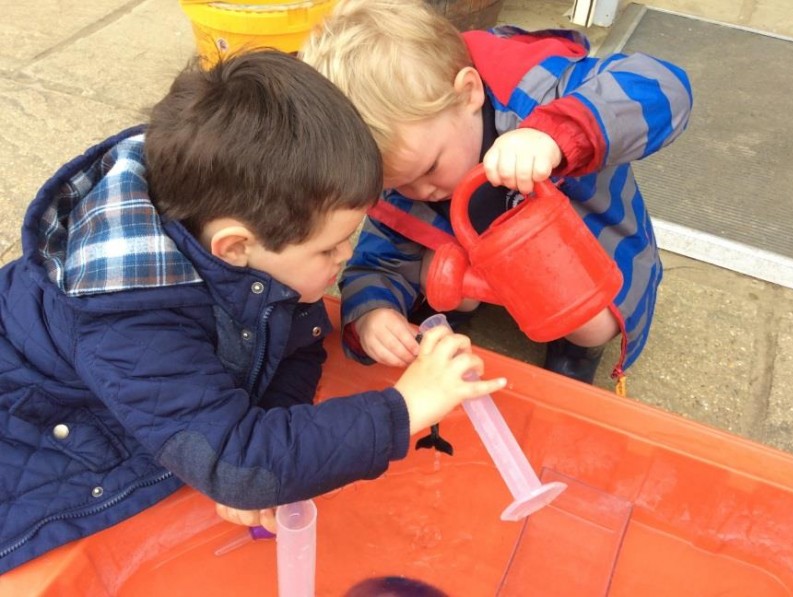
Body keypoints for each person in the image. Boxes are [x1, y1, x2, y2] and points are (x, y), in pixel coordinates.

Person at [0, 49, 506, 574]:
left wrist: (261, 456)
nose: (346, 258)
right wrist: (402, 410)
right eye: (329, 250)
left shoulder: (234, 223)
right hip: (33, 420)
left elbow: (297, 341)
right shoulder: (128, 322)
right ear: (235, 247)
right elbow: (233, 457)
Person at [301, 0, 693, 387]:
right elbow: (376, 261)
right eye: (395, 185)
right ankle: (463, 307)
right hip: (484, 260)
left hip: (581, 251)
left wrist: (557, 134)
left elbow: (663, 86)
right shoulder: (402, 167)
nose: (418, 191)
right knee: (433, 274)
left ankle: (577, 347)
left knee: (591, 324)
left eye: (430, 168)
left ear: (469, 92)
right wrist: (372, 314)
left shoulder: (537, 90)